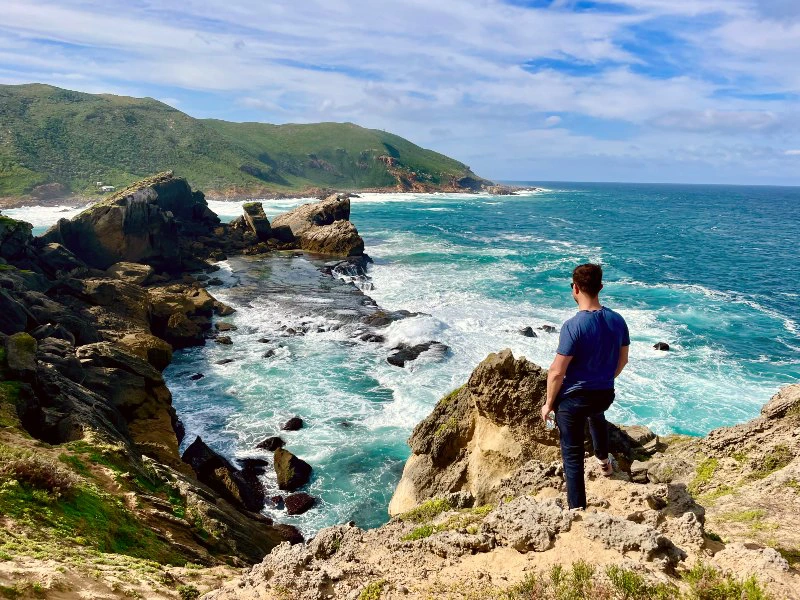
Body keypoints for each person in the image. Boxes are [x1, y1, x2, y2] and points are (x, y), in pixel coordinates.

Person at [540, 263, 630, 510]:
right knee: (596, 412)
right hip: (604, 394)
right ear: (600, 287)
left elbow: (557, 371)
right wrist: (603, 379)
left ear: (575, 289)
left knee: (572, 453)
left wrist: (548, 404)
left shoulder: (573, 325)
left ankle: (577, 509)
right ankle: (603, 461)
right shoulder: (617, 320)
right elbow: (623, 360)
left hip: (575, 401)